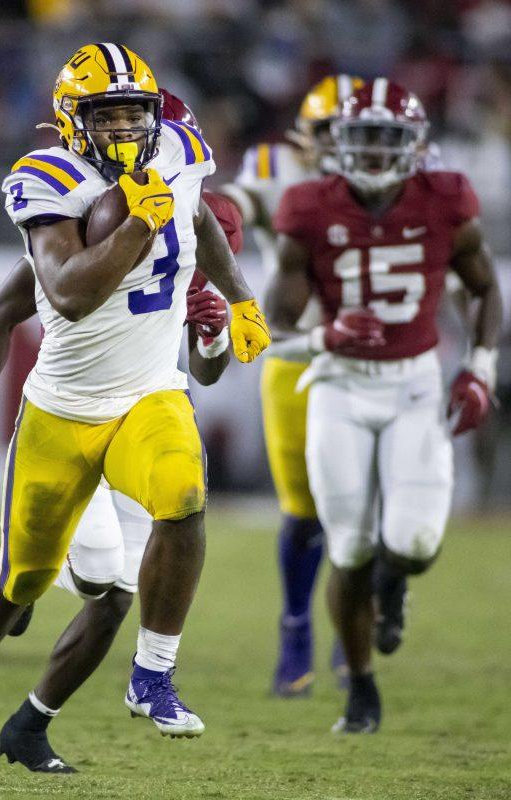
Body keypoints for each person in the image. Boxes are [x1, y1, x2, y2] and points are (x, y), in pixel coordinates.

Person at [0, 43, 270, 771]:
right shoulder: (47, 178)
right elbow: (72, 296)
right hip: (65, 407)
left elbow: (200, 215)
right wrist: (139, 226)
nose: (124, 128)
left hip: (150, 391)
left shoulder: (177, 146)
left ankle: (154, 672)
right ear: (71, 120)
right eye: (106, 114)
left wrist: (238, 296)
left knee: (183, 497)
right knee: (21, 580)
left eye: (134, 113)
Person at [265, 79, 501, 733]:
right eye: (360, 137)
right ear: (338, 143)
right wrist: (323, 336)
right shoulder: (308, 207)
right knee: (348, 547)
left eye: (386, 138)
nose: (371, 152)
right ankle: (362, 689)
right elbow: (273, 325)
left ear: (415, 144)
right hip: (339, 383)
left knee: (417, 541)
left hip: (415, 382)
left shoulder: (446, 199)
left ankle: (393, 586)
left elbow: (484, 288)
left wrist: (480, 368)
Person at [220, 75, 363, 696]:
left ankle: (363, 609)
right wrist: (216, 210)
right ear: (304, 135)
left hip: (369, 357)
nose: (343, 145)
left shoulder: (401, 182)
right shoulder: (276, 166)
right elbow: (239, 200)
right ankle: (297, 626)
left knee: (366, 507)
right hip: (297, 353)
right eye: (330, 131)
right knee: (303, 510)